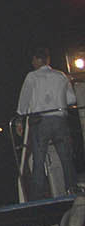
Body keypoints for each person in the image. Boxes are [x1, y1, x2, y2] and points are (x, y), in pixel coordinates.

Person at [17, 48, 79, 198]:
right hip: (60, 120)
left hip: (40, 121)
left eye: (33, 60)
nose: (32, 63)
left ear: (38, 60)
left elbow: (24, 101)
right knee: (66, 158)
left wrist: (20, 119)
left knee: (39, 159)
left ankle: (38, 196)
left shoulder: (32, 77)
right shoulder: (61, 76)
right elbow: (71, 99)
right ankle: (72, 189)